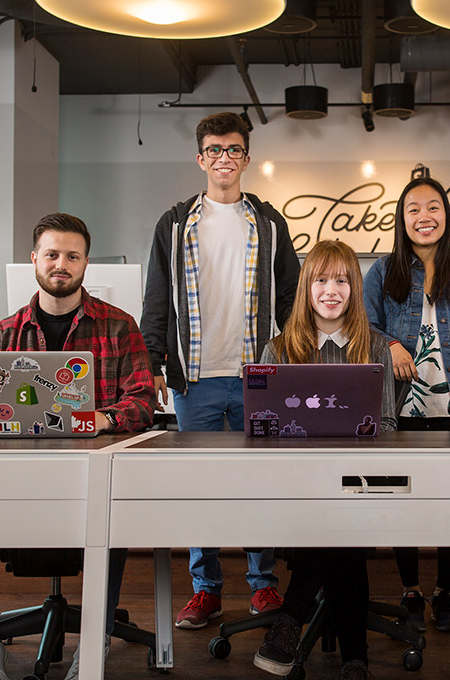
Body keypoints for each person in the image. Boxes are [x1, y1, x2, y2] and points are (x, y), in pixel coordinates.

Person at [0, 212, 157, 680]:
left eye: (72, 256)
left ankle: (92, 644)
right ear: (34, 259)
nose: (62, 264)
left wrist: (103, 418)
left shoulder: (120, 327)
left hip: (89, 482)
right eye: (52, 254)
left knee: (112, 514)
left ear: (85, 263)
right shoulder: (2, 334)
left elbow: (142, 404)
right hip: (16, 482)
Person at [140, 111, 300, 629]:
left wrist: (297, 360)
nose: (224, 159)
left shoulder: (270, 223)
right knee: (199, 489)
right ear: (200, 157)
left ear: (247, 158)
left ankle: (262, 586)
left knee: (261, 485)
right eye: (214, 150)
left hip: (259, 375)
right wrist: (154, 363)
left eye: (233, 150)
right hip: (195, 378)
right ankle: (206, 591)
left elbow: (292, 300)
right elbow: (157, 299)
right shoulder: (175, 222)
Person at [253, 240, 395, 680]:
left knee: (340, 519)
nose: (331, 290)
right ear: (306, 288)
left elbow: (387, 425)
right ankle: (356, 658)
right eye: (320, 280)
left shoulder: (374, 349)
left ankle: (290, 620)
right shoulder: (278, 351)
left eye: (341, 280)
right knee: (337, 533)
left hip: (357, 485)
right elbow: (261, 433)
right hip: (296, 487)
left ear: (354, 288)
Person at [363, 175, 450, 633]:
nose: (424, 217)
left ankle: (445, 591)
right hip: (401, 403)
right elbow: (365, 328)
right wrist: (390, 346)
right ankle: (410, 590)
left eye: (433, 207)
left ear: (446, 216)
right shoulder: (382, 271)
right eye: (413, 209)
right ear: (402, 219)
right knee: (405, 499)